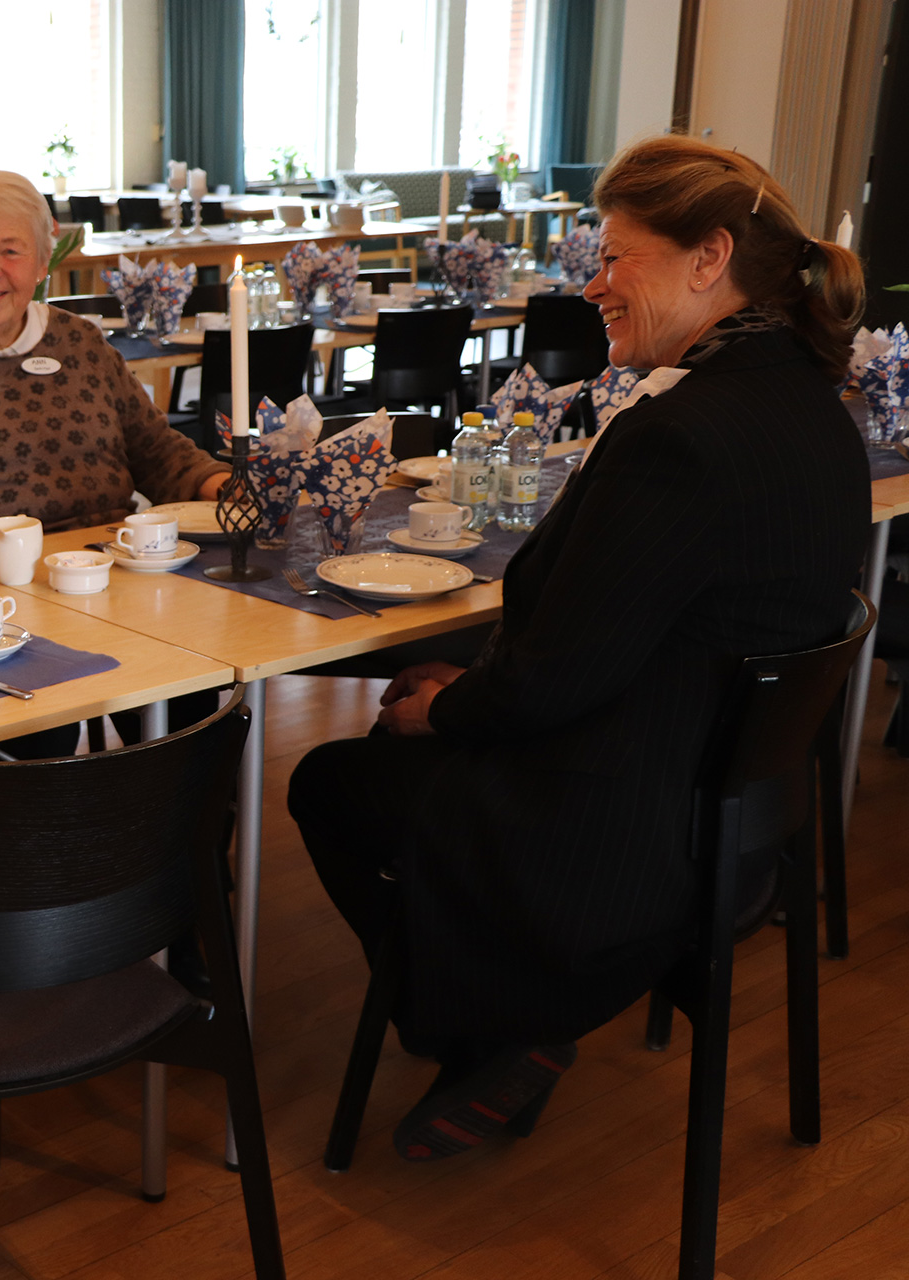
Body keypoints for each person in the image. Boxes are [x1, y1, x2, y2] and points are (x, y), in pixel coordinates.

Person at [287, 136, 872, 1162]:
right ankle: (498, 1014)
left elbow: (560, 673)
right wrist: (478, 681)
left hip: (614, 836)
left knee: (333, 780)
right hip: (732, 820)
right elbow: (643, 632)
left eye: (617, 256)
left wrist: (448, 706)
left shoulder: (681, 436)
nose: (593, 281)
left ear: (709, 258)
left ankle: (485, 1022)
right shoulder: (816, 410)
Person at [0, 169, 229, 560]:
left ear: (43, 263)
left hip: (114, 564)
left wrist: (226, 485)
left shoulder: (81, 343)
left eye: (11, 251)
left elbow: (158, 452)